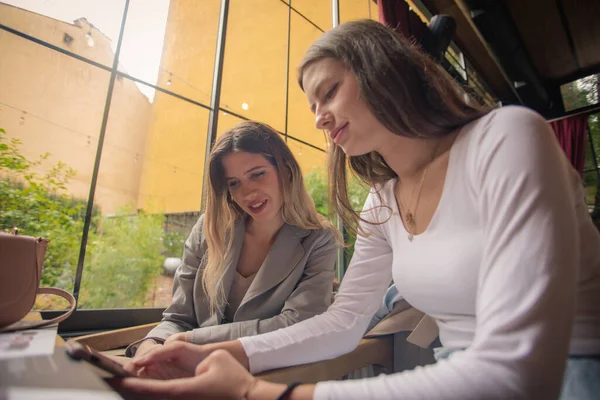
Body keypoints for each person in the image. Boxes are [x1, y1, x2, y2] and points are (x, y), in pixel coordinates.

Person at [115, 20, 600, 399]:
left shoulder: (507, 137)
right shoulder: (382, 200)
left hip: (574, 373)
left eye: (328, 92)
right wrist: (219, 354)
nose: (320, 116)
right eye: (312, 105)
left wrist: (252, 391)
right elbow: (342, 322)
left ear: (382, 70)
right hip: (456, 371)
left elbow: (516, 377)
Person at [125, 121, 339, 360]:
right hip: (194, 365)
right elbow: (178, 318)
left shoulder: (319, 239)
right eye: (234, 183)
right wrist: (152, 343)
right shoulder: (209, 230)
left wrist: (193, 341)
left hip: (271, 372)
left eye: (257, 174)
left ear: (286, 171)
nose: (247, 193)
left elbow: (298, 325)